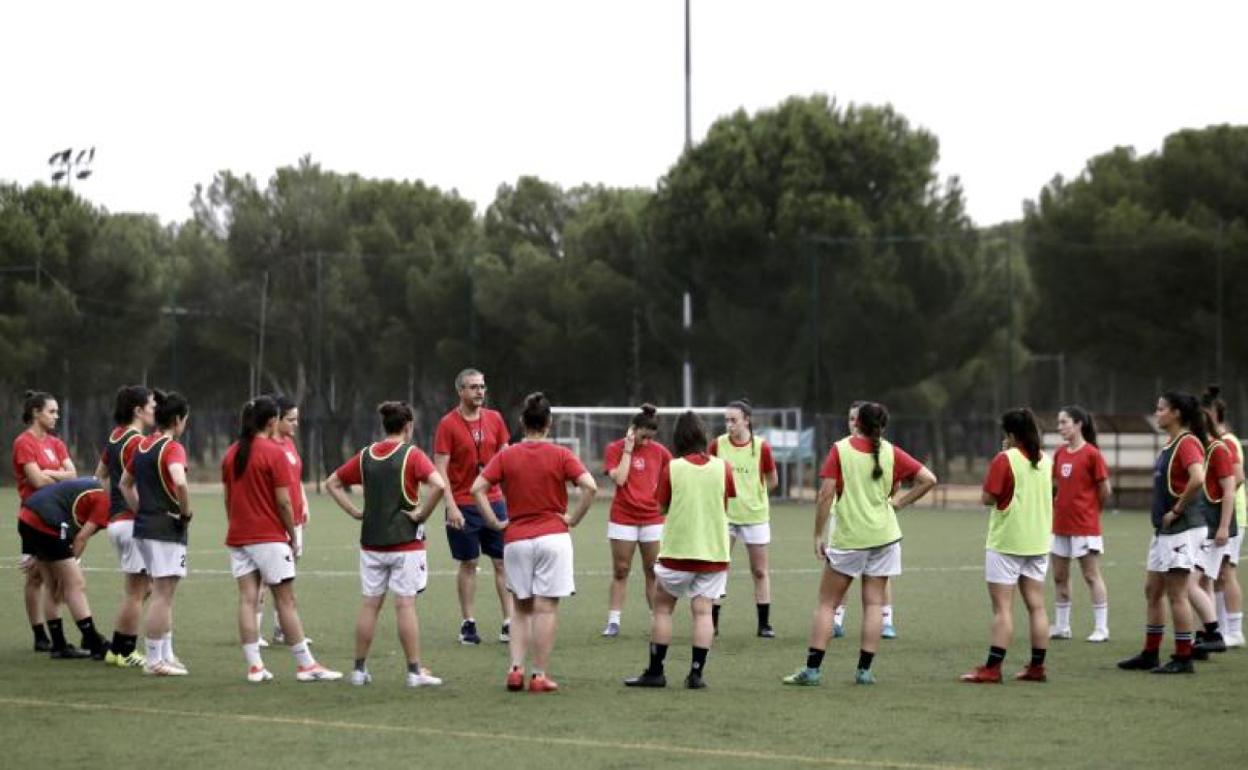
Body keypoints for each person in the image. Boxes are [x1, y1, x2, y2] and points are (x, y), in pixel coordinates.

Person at [784, 402, 936, 686]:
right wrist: (898, 504)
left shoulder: (840, 449)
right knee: (874, 605)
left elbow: (825, 494)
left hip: (851, 538)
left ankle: (813, 671)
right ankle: (864, 672)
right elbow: (929, 479)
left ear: (857, 423)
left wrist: (818, 535)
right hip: (886, 537)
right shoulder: (891, 451)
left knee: (827, 605)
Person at [471, 392, 596, 693]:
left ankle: (515, 670)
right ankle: (539, 675)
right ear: (549, 423)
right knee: (546, 609)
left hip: (516, 539)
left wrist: (494, 522)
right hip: (553, 536)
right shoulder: (562, 455)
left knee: (520, 609)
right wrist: (573, 519)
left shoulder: (507, 455)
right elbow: (589, 486)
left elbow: (477, 488)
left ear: (522, 422)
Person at [326, 401, 448, 688]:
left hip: (372, 543)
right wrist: (421, 515)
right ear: (408, 426)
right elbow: (439, 485)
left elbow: (332, 482)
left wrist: (355, 511)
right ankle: (414, 672)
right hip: (405, 544)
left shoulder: (366, 454)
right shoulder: (412, 455)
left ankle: (358, 670)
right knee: (405, 605)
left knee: (370, 605)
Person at [224, 396, 340, 683]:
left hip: (239, 536)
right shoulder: (273, 452)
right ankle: (306, 665)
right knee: (286, 601)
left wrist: (237, 526)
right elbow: (284, 502)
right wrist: (291, 534)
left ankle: (255, 667)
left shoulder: (231, 453)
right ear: (271, 421)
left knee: (248, 600)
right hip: (268, 537)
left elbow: (229, 500)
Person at [624, 410, 734, 690]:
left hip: (678, 552)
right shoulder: (724, 467)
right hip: (713, 552)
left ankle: (656, 671)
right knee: (703, 611)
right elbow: (725, 503)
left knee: (662, 609)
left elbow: (661, 506)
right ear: (704, 436)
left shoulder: (672, 467)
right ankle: (696, 674)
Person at [1117, 392, 1208, 675]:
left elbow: (1198, 478)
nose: (1156, 413)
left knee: (1177, 594)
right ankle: (1150, 653)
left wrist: (1178, 509)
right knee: (1152, 590)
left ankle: (1184, 658)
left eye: (1160, 409)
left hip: (1181, 529)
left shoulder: (1187, 442)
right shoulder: (1170, 444)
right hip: (1164, 531)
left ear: (1177, 413)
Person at [961, 408, 1054, 683]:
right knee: (1037, 606)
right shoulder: (1046, 460)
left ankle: (992, 668)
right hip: (1038, 542)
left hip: (1008, 542)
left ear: (1011, 434)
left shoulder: (1005, 459)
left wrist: (1005, 454)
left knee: (1003, 609)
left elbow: (988, 498)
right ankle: (1037, 667)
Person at [434, 368, 513, 645]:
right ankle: (468, 623)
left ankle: (509, 622)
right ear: (460, 391)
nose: (480, 391)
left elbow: (506, 459)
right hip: (463, 504)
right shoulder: (447, 424)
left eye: (482, 386)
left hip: (494, 502)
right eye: (473, 387)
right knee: (468, 563)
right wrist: (450, 505)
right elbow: (440, 468)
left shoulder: (495, 419)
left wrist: (511, 497)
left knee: (503, 562)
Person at [119, 390, 192, 677]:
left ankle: (164, 655)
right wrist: (184, 514)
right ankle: (154, 660)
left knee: (163, 593)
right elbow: (181, 483)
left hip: (145, 528)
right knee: (163, 595)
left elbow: (125, 484)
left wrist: (142, 511)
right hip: (166, 530)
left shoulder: (144, 445)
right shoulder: (173, 448)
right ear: (177, 419)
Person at [18, 477, 112, 659]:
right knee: (75, 584)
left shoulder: (95, 488)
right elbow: (81, 538)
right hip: (45, 521)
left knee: (52, 586)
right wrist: (68, 564)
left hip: (27, 516)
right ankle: (94, 643)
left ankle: (59, 645)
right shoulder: (105, 500)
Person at [95, 385, 155, 668]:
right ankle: (125, 651)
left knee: (143, 588)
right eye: (152, 405)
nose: (155, 409)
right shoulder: (137, 441)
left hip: (118, 522)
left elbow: (100, 476)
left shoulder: (115, 437)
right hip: (132, 522)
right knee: (136, 591)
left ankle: (116, 649)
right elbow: (132, 483)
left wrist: (113, 506)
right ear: (138, 410)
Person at [708, 399, 779, 637]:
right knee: (718, 569)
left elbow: (772, 480)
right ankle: (712, 623)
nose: (729, 425)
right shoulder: (717, 445)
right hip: (724, 517)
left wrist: (754, 496)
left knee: (759, 571)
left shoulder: (762, 447)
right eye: (726, 420)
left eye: (733, 420)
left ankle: (764, 624)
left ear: (746, 420)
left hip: (755, 517)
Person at [832, 401, 903, 640]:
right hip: (844, 519)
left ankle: (886, 620)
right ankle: (837, 619)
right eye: (850, 419)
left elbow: (896, 483)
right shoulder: (842, 450)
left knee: (880, 578)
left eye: (856, 419)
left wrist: (893, 501)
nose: (853, 423)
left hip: (876, 525)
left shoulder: (885, 451)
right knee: (844, 576)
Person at [12, 390, 77, 652]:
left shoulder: (56, 443)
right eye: (51, 411)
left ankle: (54, 635)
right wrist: (57, 475)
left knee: (54, 578)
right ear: (36, 413)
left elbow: (73, 475)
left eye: (57, 411)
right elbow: (35, 482)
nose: (56, 416)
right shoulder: (24, 443)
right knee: (36, 577)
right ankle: (40, 634)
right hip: (33, 517)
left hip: (57, 518)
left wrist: (49, 472)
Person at [602, 404, 671, 637]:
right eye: (642, 436)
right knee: (621, 570)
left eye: (650, 438)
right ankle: (614, 621)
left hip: (652, 518)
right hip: (623, 518)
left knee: (653, 571)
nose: (646, 442)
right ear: (633, 430)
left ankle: (656, 619)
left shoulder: (660, 452)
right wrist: (629, 451)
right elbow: (620, 480)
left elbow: (672, 478)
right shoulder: (614, 449)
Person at [1049, 406, 1113, 643]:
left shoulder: (1092, 454)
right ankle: (1062, 626)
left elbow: (1105, 490)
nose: (1060, 428)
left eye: (1064, 422)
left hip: (1085, 526)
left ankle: (1101, 628)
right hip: (1060, 525)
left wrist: (1092, 510)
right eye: (1059, 423)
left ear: (1078, 424)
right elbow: (1055, 485)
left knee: (1090, 576)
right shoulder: (1059, 453)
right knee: (1059, 576)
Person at [258, 394, 310, 646]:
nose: (295, 425)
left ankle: (283, 630)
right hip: (275, 522)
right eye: (291, 419)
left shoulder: (289, 443)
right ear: (276, 419)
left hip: (296, 518)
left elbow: (295, 478)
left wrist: (305, 502)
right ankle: (255, 632)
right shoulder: (267, 446)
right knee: (263, 581)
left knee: (287, 578)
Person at [1188, 398, 1237, 655]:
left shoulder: (1218, 449)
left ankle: (1214, 633)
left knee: (1189, 583)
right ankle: (1203, 637)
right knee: (1204, 583)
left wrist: (1223, 527)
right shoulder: (1197, 449)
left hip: (1214, 528)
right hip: (1200, 527)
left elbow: (1229, 489)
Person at [1204, 385, 1246, 647]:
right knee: (1216, 574)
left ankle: (1235, 630)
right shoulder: (1213, 441)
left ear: (1214, 413)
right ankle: (1218, 628)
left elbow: (1238, 477)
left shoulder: (1227, 441)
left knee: (1226, 573)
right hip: (1221, 514)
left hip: (1233, 515)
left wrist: (1220, 503)